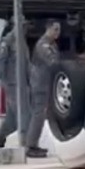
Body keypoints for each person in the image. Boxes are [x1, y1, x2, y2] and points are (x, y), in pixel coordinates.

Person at [24, 19, 62, 158]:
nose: (58, 32)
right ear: (49, 29)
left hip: (46, 84)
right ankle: (30, 146)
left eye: (59, 30)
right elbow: (52, 62)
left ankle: (33, 144)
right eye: (56, 29)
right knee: (38, 115)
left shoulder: (51, 44)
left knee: (43, 114)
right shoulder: (43, 45)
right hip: (40, 84)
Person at [0, 20, 28, 149]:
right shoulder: (8, 41)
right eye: (23, 25)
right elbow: (0, 61)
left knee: (13, 116)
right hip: (12, 84)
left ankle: (0, 137)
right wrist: (2, 79)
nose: (25, 28)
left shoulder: (21, 41)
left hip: (22, 84)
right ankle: (28, 142)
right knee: (23, 112)